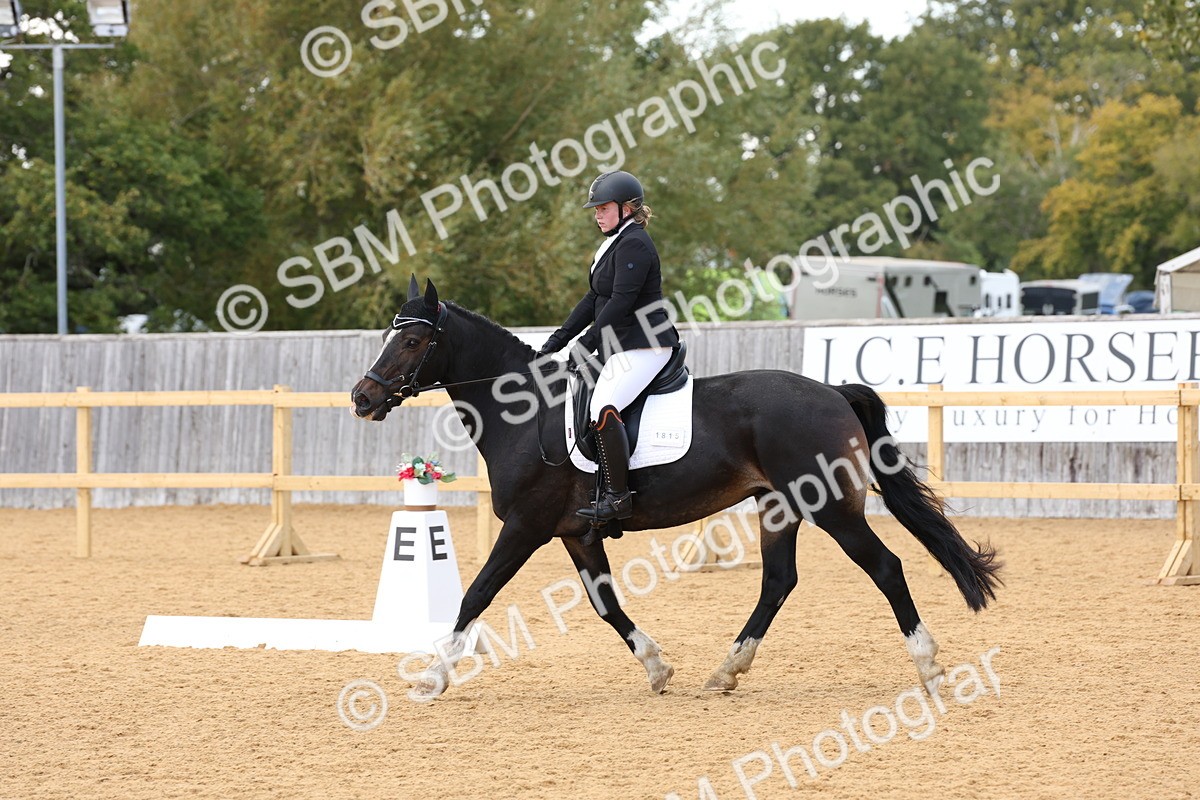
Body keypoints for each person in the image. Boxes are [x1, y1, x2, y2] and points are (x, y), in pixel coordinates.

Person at [537, 170, 681, 523]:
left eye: (603, 208)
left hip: (645, 345)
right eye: (596, 209)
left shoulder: (635, 244)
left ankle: (618, 497)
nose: (597, 215)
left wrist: (584, 345)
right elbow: (593, 299)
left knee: (603, 405)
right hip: (622, 345)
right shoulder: (613, 243)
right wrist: (556, 341)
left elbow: (620, 303)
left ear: (627, 208)